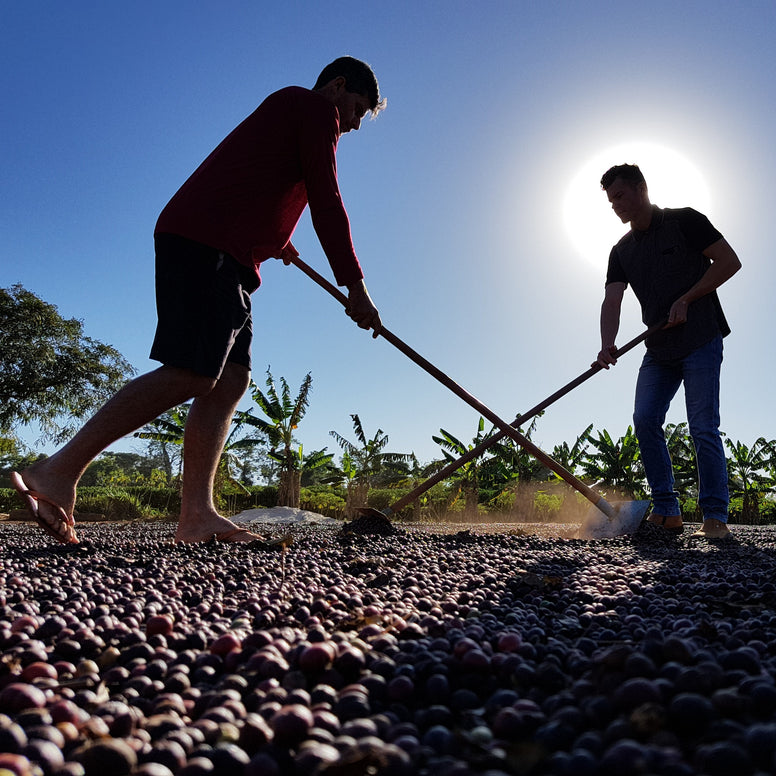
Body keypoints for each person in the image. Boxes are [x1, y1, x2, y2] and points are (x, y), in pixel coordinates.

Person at [11, 56, 385, 545]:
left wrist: (279, 239)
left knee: (230, 379)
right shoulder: (313, 108)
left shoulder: (292, 112)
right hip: (206, 243)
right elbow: (326, 195)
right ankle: (57, 471)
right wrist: (354, 285)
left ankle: (197, 515)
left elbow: (257, 179)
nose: (354, 124)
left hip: (226, 251)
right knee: (194, 369)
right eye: (357, 108)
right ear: (337, 87)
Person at [595, 163, 741, 539]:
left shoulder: (686, 221)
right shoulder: (621, 250)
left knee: (703, 427)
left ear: (642, 188)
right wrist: (606, 343)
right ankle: (667, 509)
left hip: (701, 338)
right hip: (658, 348)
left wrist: (689, 298)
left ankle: (715, 517)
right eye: (611, 201)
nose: (616, 206)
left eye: (621, 196)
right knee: (644, 419)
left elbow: (729, 261)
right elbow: (612, 300)